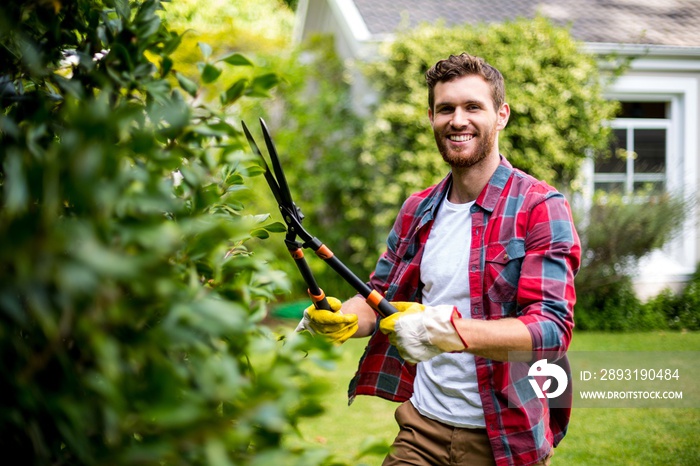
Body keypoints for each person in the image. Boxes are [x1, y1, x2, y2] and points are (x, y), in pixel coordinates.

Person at [296, 53, 581, 466]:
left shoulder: (540, 207)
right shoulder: (418, 208)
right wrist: (344, 318)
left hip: (502, 435)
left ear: (501, 115)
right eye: (446, 108)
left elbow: (551, 331)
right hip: (422, 427)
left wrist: (447, 333)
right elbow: (378, 298)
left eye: (473, 107)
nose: (458, 120)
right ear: (431, 116)